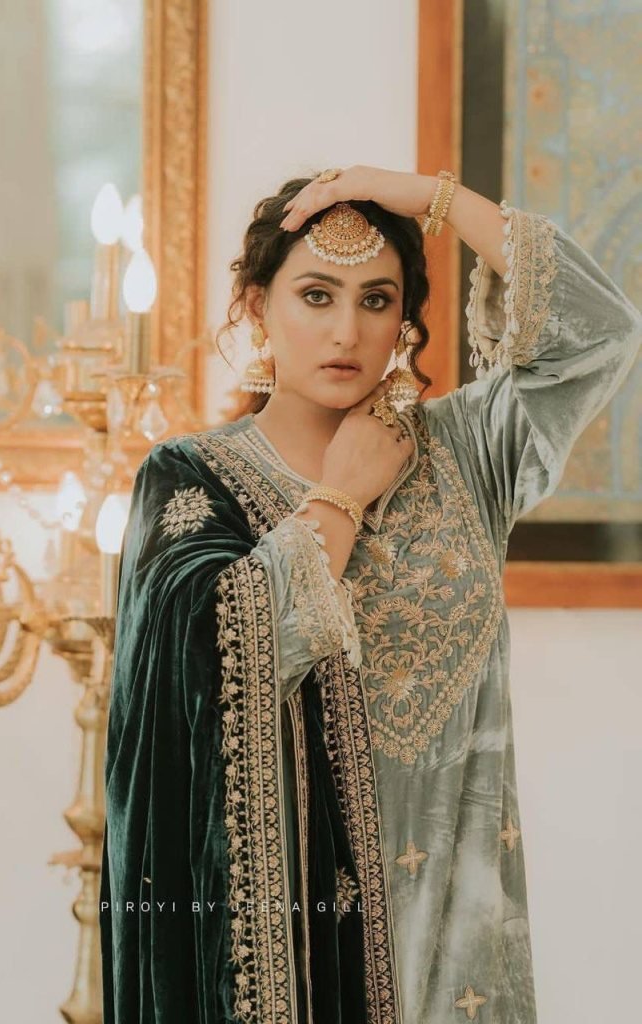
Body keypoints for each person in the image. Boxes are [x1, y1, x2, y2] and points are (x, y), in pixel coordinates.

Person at [99, 165, 642, 1023]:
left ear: (404, 322)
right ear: (257, 306)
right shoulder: (192, 477)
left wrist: (431, 197)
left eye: (377, 300)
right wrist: (340, 498)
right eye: (315, 295)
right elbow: (206, 670)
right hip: (298, 961)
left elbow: (601, 330)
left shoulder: (468, 449)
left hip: (461, 955)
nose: (346, 331)